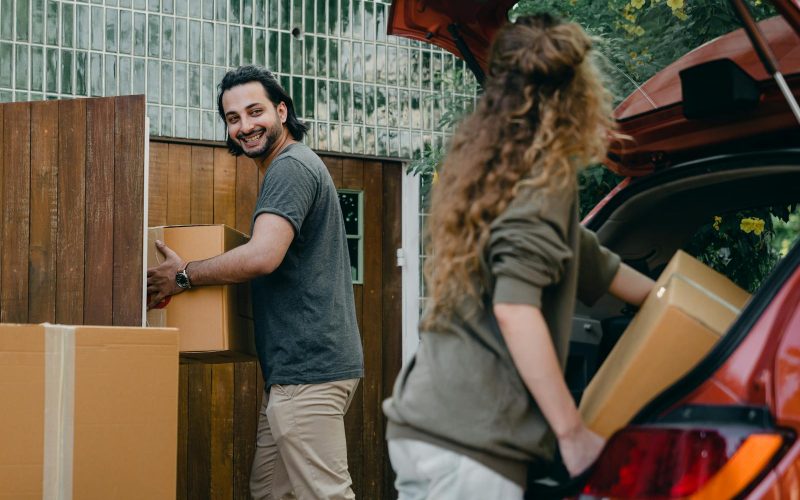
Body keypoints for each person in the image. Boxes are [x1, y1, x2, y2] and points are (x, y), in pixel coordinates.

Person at [382, 14, 655, 500]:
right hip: (473, 444)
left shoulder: (490, 170)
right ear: (576, 93)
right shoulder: (544, 178)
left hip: (422, 425)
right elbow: (514, 308)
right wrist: (571, 435)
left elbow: (587, 256)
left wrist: (671, 300)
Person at [147, 65, 363, 500]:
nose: (245, 126)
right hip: (295, 371)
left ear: (281, 111)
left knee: (326, 494)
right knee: (269, 491)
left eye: (254, 111)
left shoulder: (290, 168)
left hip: (309, 370)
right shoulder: (288, 168)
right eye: (233, 118)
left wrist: (185, 275)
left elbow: (264, 256)